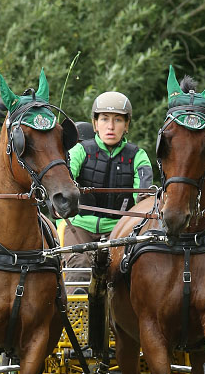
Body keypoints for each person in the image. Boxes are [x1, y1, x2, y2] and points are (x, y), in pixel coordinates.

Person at [60, 92, 153, 290]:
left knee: (122, 272)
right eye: (104, 119)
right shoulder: (79, 151)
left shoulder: (139, 156)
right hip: (79, 228)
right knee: (80, 269)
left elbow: (143, 195)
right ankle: (77, 319)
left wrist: (145, 197)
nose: (110, 126)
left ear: (126, 125)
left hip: (120, 230)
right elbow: (66, 176)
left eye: (118, 120)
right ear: (95, 123)